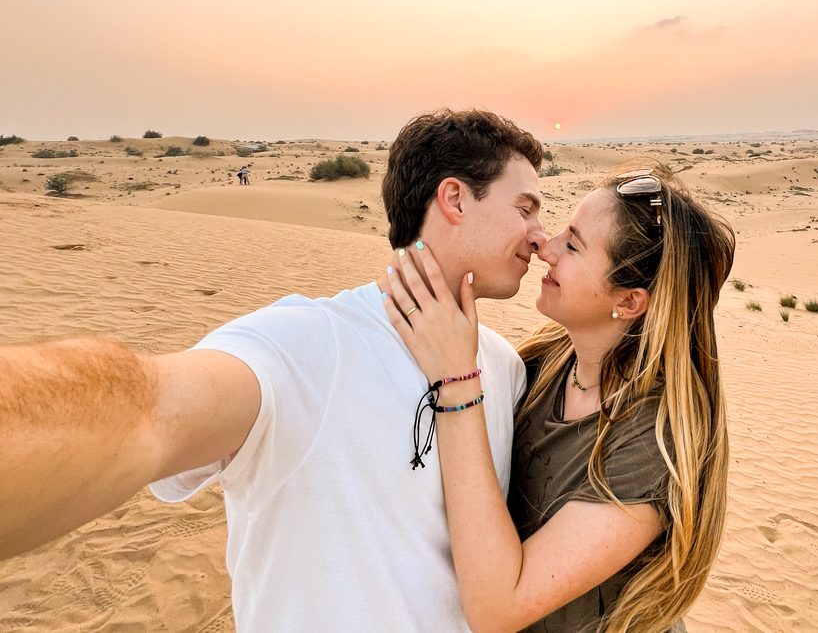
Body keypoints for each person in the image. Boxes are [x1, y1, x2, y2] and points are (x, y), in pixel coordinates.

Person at [0, 109, 547, 632]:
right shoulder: (304, 343)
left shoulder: (503, 367)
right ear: (454, 198)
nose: (541, 236)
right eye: (525, 209)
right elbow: (145, 413)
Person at [379, 162, 735, 632]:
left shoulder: (652, 444)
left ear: (629, 302)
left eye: (573, 245)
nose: (545, 248)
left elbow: (498, 610)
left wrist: (457, 381)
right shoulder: (540, 363)